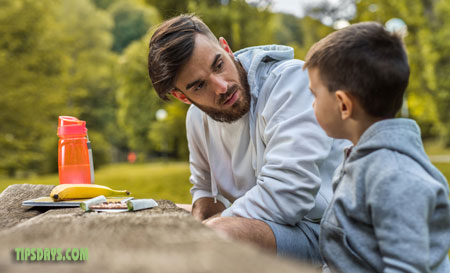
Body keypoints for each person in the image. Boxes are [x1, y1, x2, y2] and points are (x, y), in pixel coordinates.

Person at [148, 14, 347, 263]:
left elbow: (288, 195)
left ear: (226, 48)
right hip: (273, 227)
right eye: (199, 86)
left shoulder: (290, 82)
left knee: (217, 236)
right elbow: (203, 190)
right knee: (164, 216)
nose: (221, 87)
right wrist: (202, 219)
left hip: (330, 233)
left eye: (218, 64)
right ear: (183, 97)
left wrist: (209, 227)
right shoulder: (196, 119)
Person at [303, 21, 450, 272]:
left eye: (315, 95)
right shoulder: (363, 160)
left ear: (343, 105)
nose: (312, 105)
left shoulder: (395, 177)